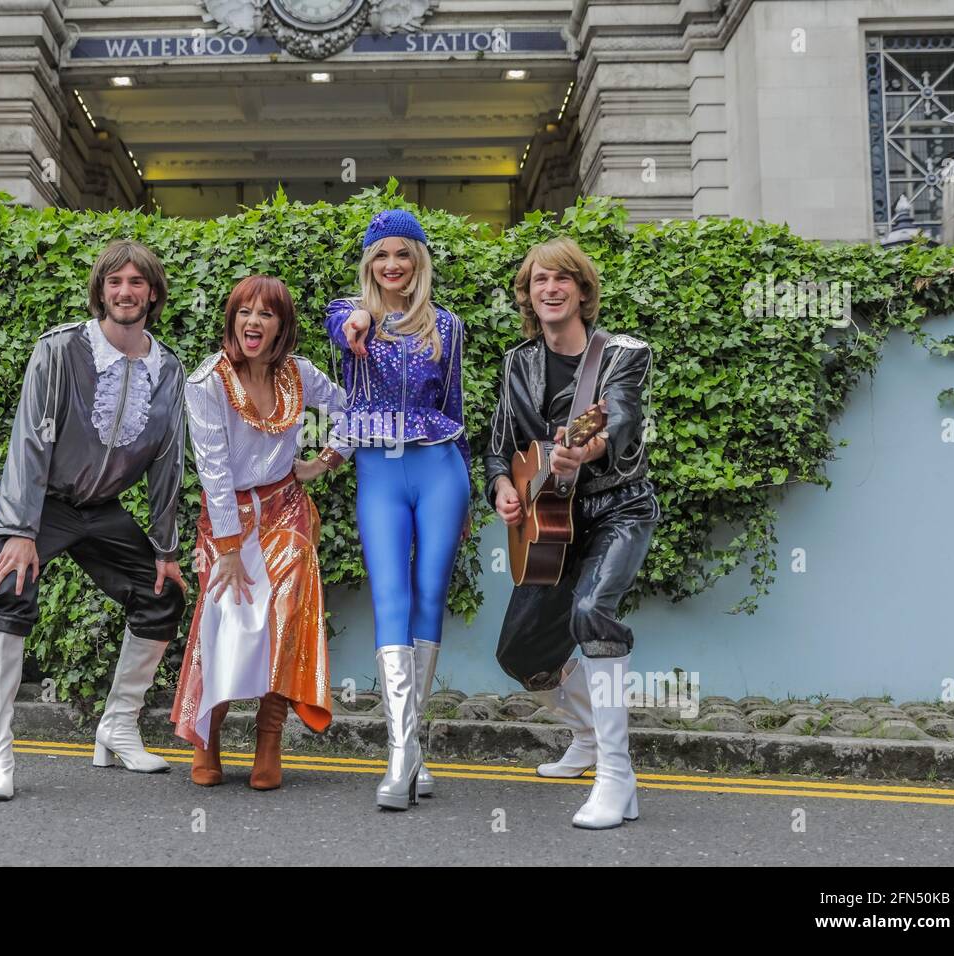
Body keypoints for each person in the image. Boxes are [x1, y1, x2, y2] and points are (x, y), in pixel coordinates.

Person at [0, 239, 188, 800]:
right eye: (115, 282)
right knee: (9, 589)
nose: (125, 292)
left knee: (161, 595)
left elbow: (168, 462)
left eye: (136, 282)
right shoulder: (61, 349)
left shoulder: (168, 371)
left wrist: (165, 549)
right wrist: (20, 532)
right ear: (101, 291)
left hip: (104, 510)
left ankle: (117, 727)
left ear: (152, 294)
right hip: (47, 505)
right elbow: (29, 442)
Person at [485, 236, 659, 829]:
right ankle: (587, 734)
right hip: (549, 524)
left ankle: (617, 777)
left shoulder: (621, 354)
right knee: (520, 652)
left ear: (583, 291)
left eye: (562, 279)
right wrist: (504, 490)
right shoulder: (517, 363)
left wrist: (588, 451)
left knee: (591, 614)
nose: (550, 289)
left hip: (618, 508)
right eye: (539, 280)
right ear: (528, 295)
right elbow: (499, 449)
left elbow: (625, 419)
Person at [172, 275, 351, 790]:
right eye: (244, 311)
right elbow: (214, 472)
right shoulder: (208, 380)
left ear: (281, 326)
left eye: (266, 314)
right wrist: (227, 549)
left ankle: (269, 741)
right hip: (228, 520)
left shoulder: (299, 374)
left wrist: (323, 461)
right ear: (231, 318)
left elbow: (350, 411)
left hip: (286, 513)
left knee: (283, 622)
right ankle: (209, 740)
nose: (254, 321)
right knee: (224, 623)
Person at [325, 209, 471, 811]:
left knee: (431, 596)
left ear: (418, 262)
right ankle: (399, 752)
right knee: (391, 596)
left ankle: (412, 747)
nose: (392, 265)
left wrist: (468, 492)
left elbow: (456, 401)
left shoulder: (449, 325)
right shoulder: (348, 316)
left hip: (441, 468)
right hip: (379, 468)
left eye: (403, 254)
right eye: (381, 255)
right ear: (369, 264)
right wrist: (359, 319)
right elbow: (342, 329)